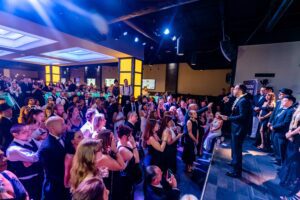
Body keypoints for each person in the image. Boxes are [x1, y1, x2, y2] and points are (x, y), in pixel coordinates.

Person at [220, 84, 252, 178]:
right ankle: (234, 163)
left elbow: (242, 116)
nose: (233, 90)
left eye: (235, 89)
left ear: (240, 90)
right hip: (236, 127)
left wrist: (228, 118)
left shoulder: (243, 101)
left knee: (237, 149)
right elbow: (235, 110)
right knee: (234, 148)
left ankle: (236, 172)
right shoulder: (239, 99)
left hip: (239, 128)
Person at [6, 124, 43, 200]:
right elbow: (36, 157)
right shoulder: (13, 149)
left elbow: (40, 151)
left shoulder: (29, 140)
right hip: (27, 181)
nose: (29, 133)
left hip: (38, 177)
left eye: (29, 130)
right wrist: (43, 145)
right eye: (24, 132)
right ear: (15, 134)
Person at [39, 116, 69, 200]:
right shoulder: (47, 148)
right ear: (52, 128)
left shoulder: (63, 137)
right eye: (62, 124)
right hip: (55, 189)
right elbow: (52, 173)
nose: (65, 126)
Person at [97, 129, 126, 200]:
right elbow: (122, 166)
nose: (115, 139)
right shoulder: (104, 157)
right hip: (109, 188)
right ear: (107, 140)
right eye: (112, 137)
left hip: (113, 184)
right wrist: (115, 150)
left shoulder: (106, 151)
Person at [279, 105, 300, 197]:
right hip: (293, 137)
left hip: (297, 138)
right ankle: (287, 181)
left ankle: (292, 186)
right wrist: (289, 133)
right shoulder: (298, 108)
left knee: (295, 162)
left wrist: (290, 134)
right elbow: (293, 123)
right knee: (290, 160)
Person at [270, 95, 296, 165]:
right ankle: (278, 160)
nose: (282, 101)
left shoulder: (291, 111)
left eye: (285, 100)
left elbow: (286, 123)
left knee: (282, 148)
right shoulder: (282, 109)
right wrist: (272, 124)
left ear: (290, 102)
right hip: (275, 131)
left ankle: (282, 163)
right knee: (276, 147)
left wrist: (274, 127)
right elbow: (275, 118)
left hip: (281, 132)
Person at [117, 125, 141, 200]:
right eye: (129, 135)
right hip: (127, 179)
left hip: (131, 175)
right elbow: (137, 160)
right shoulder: (122, 149)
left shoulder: (126, 143)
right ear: (124, 136)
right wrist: (134, 145)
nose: (131, 136)